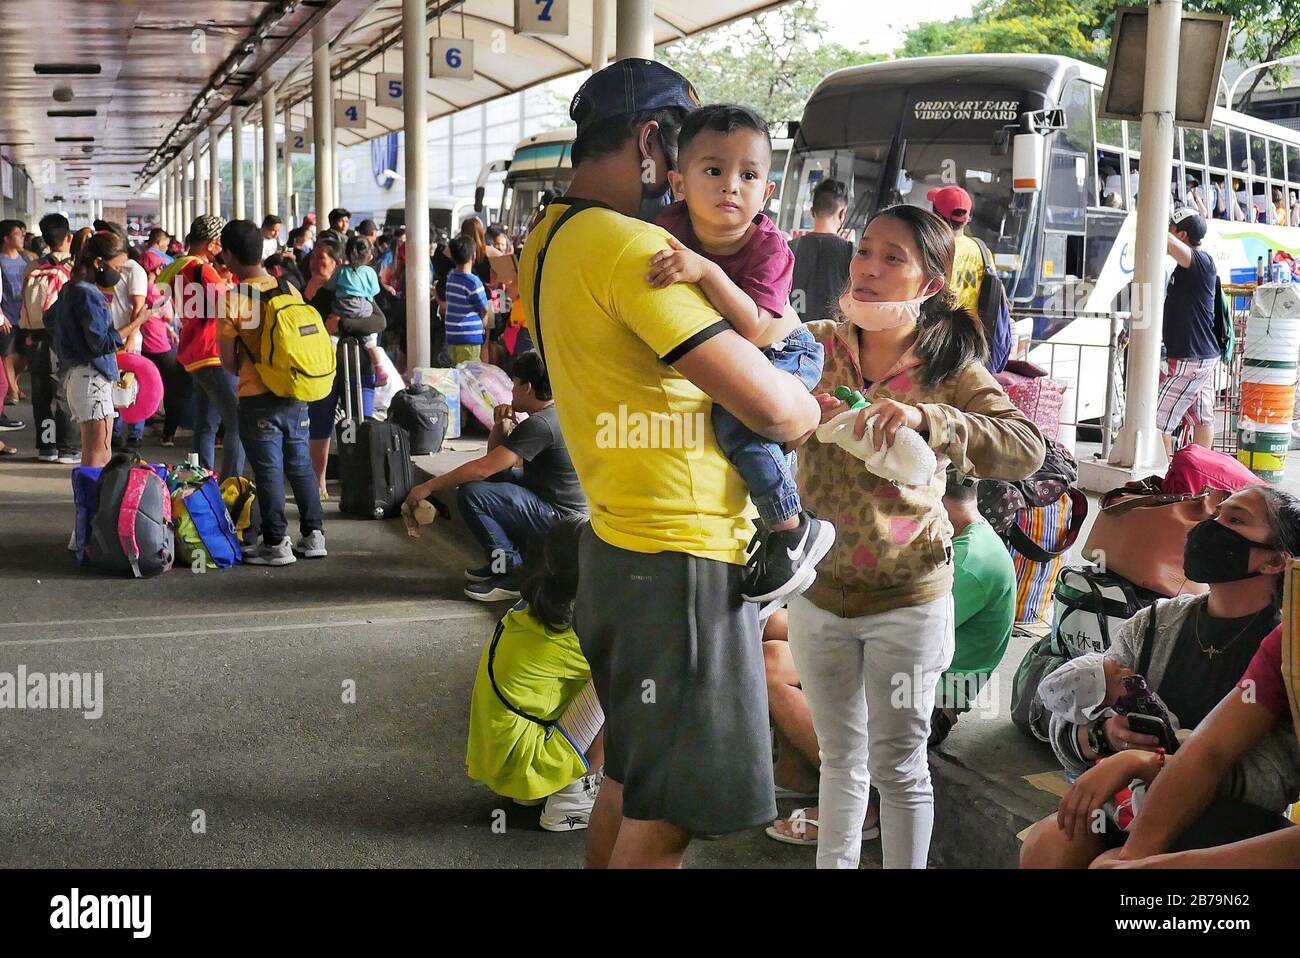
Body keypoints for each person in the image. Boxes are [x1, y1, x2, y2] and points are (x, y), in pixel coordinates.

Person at [517, 59, 821, 868]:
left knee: (631, 779)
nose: (699, 181)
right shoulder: (629, 248)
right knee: (669, 816)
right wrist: (812, 397)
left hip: (616, 546)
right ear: (654, 141)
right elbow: (779, 408)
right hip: (682, 559)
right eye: (692, 153)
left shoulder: (547, 239)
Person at [789, 203, 1044, 869]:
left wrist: (933, 420)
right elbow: (742, 395)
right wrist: (789, 413)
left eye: (892, 258)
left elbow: (1025, 449)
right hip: (816, 594)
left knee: (898, 767)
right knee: (840, 758)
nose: (868, 269)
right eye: (864, 251)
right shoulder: (813, 344)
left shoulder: (950, 367)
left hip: (908, 598)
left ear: (930, 284)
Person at [1021, 486, 1300, 867]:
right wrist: (1102, 738)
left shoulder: (1286, 649)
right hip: (1130, 803)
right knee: (1048, 846)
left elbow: (1273, 781)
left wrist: (1151, 763)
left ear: (1275, 562)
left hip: (1229, 823)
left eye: (1235, 520)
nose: (1211, 527)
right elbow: (1066, 717)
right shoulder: (1156, 624)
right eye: (1216, 515)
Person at [764, 467, 1017, 845]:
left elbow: (878, 630)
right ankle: (796, 773)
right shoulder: (960, 536)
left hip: (926, 697)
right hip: (887, 663)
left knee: (775, 661)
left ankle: (864, 805)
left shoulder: (963, 561)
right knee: (771, 644)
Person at [649, 103, 832, 612]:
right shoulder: (666, 227)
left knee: (736, 423)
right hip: (736, 352)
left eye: (748, 174)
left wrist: (705, 271)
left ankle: (792, 527)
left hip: (784, 351)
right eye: (713, 170)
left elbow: (754, 326)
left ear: (766, 191)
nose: (731, 185)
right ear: (679, 183)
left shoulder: (771, 248)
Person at [403, 350, 586, 601]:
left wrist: (428, 486)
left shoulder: (541, 424)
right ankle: (500, 563)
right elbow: (496, 466)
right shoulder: (553, 415)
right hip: (556, 503)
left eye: (514, 384)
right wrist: (500, 426)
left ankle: (513, 572)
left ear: (528, 388)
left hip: (560, 516)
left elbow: (483, 467)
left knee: (473, 494)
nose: (510, 391)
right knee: (489, 483)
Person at [466, 515, 606, 832]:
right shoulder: (571, 631)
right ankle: (573, 797)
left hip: (502, 760)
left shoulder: (539, 605)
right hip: (523, 761)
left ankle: (540, 788)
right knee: (626, 682)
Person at [216, 219, 326, 564]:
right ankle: (314, 536)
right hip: (296, 391)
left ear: (230, 255)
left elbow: (228, 362)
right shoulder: (288, 288)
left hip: (258, 398)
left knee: (268, 470)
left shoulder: (234, 300)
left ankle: (276, 543)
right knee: (300, 466)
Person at [172, 215, 245, 480]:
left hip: (194, 354)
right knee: (238, 423)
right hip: (213, 354)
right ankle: (231, 485)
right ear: (213, 244)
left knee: (206, 425)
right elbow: (229, 305)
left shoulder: (180, 268)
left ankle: (203, 482)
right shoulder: (202, 270)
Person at [47, 230, 127, 468]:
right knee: (98, 453)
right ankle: (91, 502)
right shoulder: (88, 294)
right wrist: (137, 322)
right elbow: (100, 344)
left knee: (99, 450)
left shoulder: (71, 288)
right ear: (99, 263)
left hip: (78, 377)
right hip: (92, 378)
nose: (119, 273)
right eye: (118, 267)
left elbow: (50, 319)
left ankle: (93, 502)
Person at [1157, 208, 1218, 455]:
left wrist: (1154, 213)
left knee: (1154, 420)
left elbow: (1167, 241)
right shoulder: (1190, 266)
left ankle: (1166, 474)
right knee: (1202, 418)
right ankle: (1201, 472)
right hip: (1202, 355)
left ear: (1182, 235)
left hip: (1189, 358)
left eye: (1172, 228)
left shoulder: (1201, 262)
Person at [17, 213, 77, 462]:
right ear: (68, 237)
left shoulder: (33, 267)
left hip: (36, 338)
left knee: (42, 394)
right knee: (65, 393)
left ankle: (47, 446)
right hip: (64, 339)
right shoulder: (74, 267)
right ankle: (68, 447)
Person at [100, 221, 149, 453]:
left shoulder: (133, 270)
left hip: (128, 336)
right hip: (111, 336)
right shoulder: (106, 269)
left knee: (130, 385)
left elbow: (138, 306)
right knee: (114, 386)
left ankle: (135, 435)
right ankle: (116, 433)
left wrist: (131, 336)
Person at [138, 247, 188, 448]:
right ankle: (169, 433)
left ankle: (143, 426)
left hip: (146, 342)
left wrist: (168, 328)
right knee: (175, 387)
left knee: (145, 385)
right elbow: (167, 313)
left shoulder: (140, 288)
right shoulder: (154, 290)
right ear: (158, 269)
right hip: (157, 344)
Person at [790, 178, 853, 325]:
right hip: (835, 339)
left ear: (812, 212)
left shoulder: (788, 248)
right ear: (842, 213)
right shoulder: (851, 252)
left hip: (792, 337)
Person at [330, 236, 388, 387]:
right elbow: (374, 290)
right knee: (369, 340)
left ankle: (330, 366)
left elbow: (330, 285)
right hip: (363, 308)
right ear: (369, 257)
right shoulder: (369, 271)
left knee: (333, 337)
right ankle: (380, 368)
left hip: (342, 307)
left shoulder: (341, 270)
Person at [0, 219, 31, 425]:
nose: (21, 237)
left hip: (25, 315)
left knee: (25, 354)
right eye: (18, 234)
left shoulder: (25, 259)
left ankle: (14, 385)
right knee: (7, 355)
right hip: (7, 316)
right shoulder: (0, 261)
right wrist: (1, 315)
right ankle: (12, 390)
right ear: (6, 238)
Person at [443, 235, 491, 365]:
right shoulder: (473, 282)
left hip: (452, 335)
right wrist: (484, 324)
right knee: (470, 376)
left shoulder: (451, 277)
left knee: (457, 375)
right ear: (473, 256)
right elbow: (485, 308)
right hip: (469, 336)